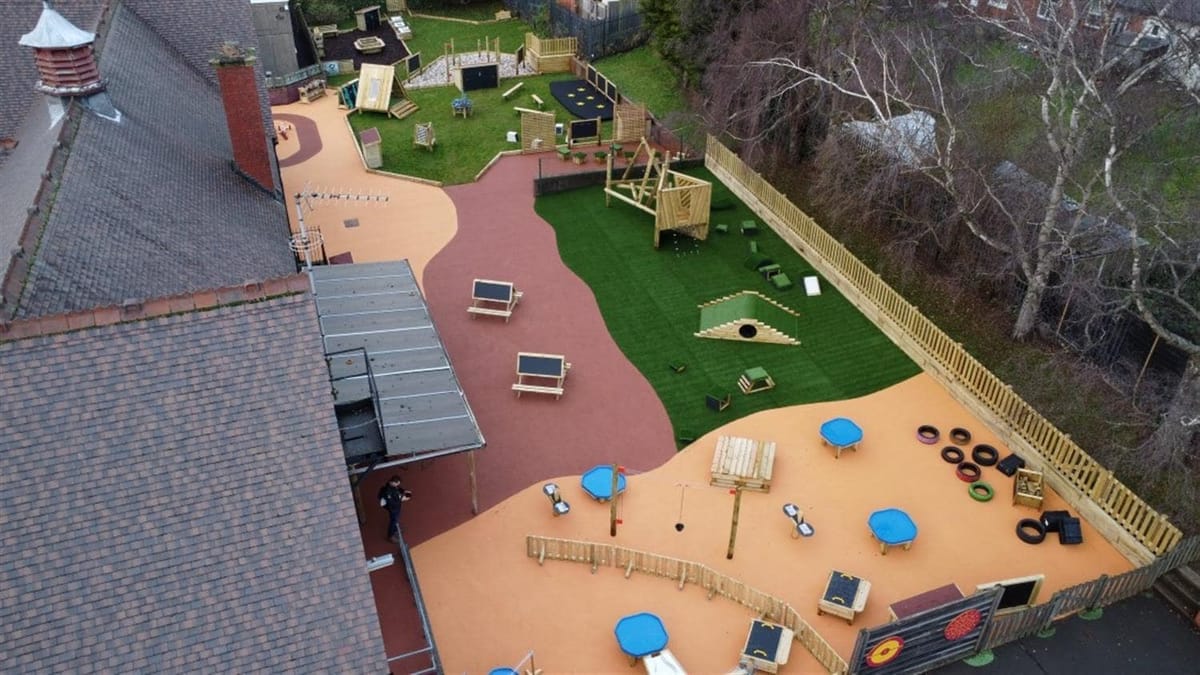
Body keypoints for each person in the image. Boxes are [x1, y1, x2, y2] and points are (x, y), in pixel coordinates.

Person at [378, 475, 412, 544]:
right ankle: (390, 536)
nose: (398, 485)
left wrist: (404, 491)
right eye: (397, 484)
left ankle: (395, 529)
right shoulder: (388, 491)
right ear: (393, 482)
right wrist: (402, 499)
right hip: (393, 509)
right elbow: (392, 503)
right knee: (393, 521)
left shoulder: (393, 486)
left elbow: (398, 489)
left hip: (396, 507)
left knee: (396, 519)